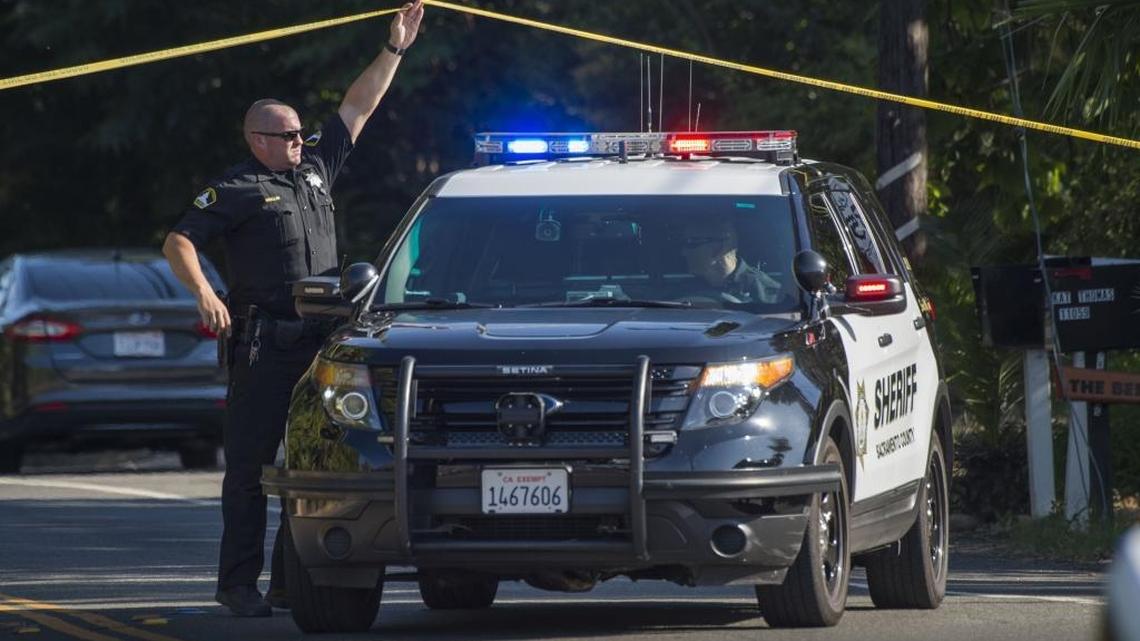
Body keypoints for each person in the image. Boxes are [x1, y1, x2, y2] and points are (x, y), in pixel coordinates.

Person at [162, 0, 424, 618]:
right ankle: (236, 584)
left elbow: (358, 108)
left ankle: (291, 582)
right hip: (263, 345)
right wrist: (205, 293)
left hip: (321, 342)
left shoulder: (314, 172)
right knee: (251, 470)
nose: (300, 140)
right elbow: (178, 240)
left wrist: (395, 48)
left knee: (313, 465)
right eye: (287, 135)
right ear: (257, 139)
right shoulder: (235, 188)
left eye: (301, 132)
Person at [679, 218, 782, 304]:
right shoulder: (679, 291)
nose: (683, 252)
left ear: (719, 248)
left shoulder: (768, 293)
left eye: (691, 243)